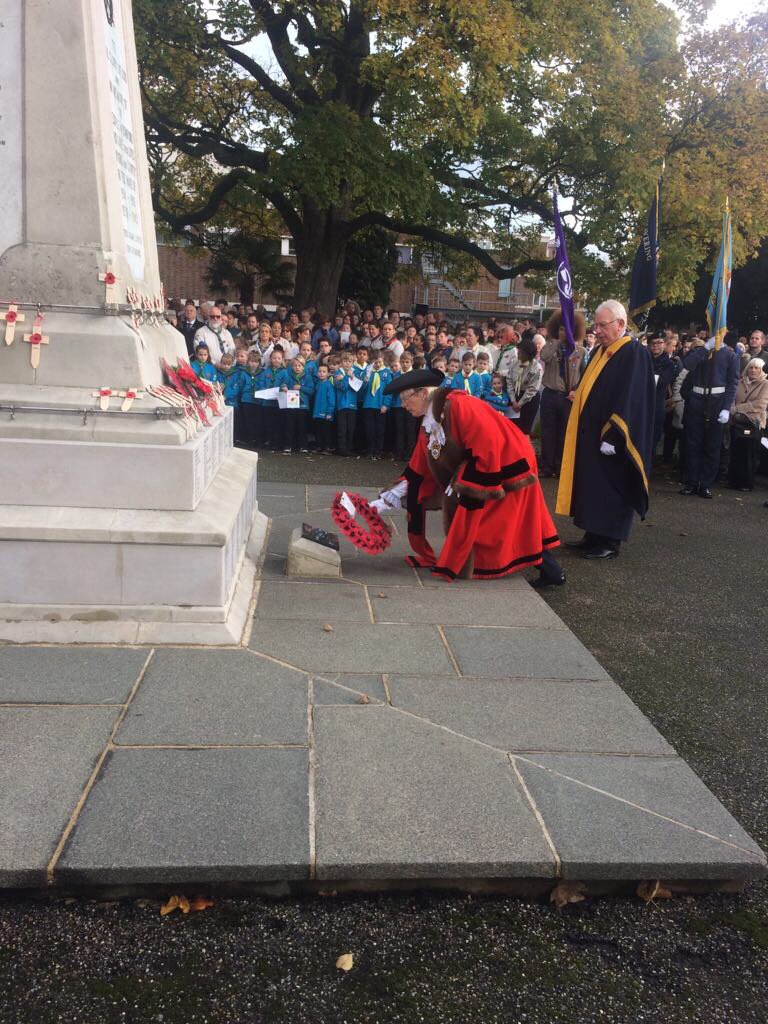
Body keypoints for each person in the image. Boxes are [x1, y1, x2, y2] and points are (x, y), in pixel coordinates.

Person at [374, 368, 564, 587]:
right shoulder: (430, 421)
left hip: (509, 461)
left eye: (406, 399)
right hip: (489, 461)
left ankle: (535, 569)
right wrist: (386, 499)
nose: (403, 405)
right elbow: (419, 465)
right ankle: (552, 572)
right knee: (516, 520)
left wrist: (462, 484)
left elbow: (487, 444)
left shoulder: (461, 405)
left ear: (423, 394)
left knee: (503, 519)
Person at [555, 300, 655, 559]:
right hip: (591, 435)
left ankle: (610, 541)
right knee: (593, 486)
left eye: (602, 325)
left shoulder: (633, 352)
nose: (596, 330)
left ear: (621, 324)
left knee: (611, 488)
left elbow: (630, 397)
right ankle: (593, 534)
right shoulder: (602, 350)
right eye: (595, 325)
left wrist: (614, 434)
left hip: (612, 437)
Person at [679, 334, 740, 499]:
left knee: (712, 446)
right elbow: (687, 364)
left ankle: (705, 484)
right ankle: (691, 482)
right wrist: (705, 349)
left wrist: (727, 408)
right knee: (693, 444)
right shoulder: (700, 352)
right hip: (697, 400)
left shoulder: (730, 355)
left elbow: (733, 382)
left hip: (718, 403)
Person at [538, 310, 586, 478]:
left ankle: (560, 468)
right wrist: (557, 342)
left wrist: (576, 391)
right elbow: (543, 357)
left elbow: (584, 375)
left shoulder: (580, 351)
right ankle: (546, 467)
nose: (563, 332)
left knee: (564, 434)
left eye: (567, 330)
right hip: (550, 395)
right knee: (547, 433)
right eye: (560, 329)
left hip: (567, 398)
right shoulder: (551, 346)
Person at [728, 358, 768, 491]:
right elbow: (732, 399)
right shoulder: (739, 382)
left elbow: (760, 405)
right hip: (737, 423)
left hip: (754, 424)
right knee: (736, 452)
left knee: (749, 455)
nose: (753, 370)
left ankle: (746, 483)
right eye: (751, 367)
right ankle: (734, 481)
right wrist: (733, 409)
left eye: (757, 368)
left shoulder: (765, 384)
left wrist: (738, 409)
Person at [648, 333, 680, 454]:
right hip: (641, 405)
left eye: (659, 343)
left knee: (652, 442)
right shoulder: (644, 359)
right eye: (653, 343)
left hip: (656, 406)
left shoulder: (669, 364)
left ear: (664, 344)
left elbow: (661, 382)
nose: (656, 346)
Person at [508, 335, 543, 435]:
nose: (518, 354)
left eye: (521, 352)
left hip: (529, 400)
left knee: (524, 431)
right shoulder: (514, 362)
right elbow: (509, 381)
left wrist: (520, 403)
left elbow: (532, 389)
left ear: (528, 354)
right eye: (518, 350)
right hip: (515, 396)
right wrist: (513, 400)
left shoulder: (536, 368)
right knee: (511, 428)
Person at [312, 364, 336, 453]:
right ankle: (319, 446)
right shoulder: (318, 384)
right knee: (318, 431)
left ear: (328, 373)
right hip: (317, 413)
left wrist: (329, 412)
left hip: (326, 414)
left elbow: (331, 400)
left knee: (326, 431)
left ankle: (327, 447)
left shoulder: (329, 385)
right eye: (320, 371)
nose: (321, 373)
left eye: (324, 372)